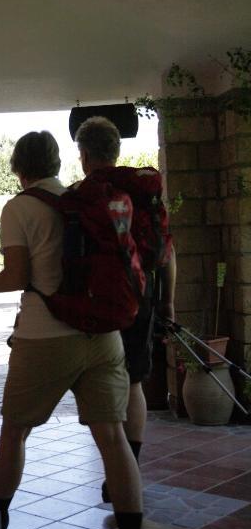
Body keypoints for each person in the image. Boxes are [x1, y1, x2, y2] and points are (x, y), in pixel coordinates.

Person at [0, 131, 154, 529]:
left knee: (14, 431)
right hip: (103, 335)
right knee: (111, 437)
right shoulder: (83, 199)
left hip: (45, 338)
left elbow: (17, 277)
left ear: (18, 167)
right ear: (58, 161)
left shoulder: (19, 208)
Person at [73, 116, 176, 503]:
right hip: (140, 294)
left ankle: (114, 468)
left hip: (95, 300)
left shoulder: (81, 195)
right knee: (134, 381)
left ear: (83, 156)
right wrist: (167, 302)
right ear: (116, 151)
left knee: (98, 381)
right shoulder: (142, 191)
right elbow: (167, 251)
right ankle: (129, 463)